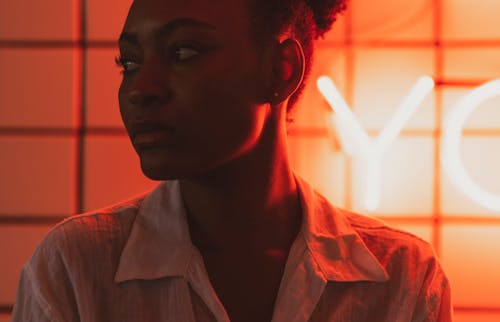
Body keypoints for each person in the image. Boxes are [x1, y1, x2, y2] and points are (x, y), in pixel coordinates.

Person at [12, 0, 453, 321]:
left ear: (281, 68)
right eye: (129, 62)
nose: (140, 88)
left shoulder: (401, 279)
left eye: (182, 52)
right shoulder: (76, 267)